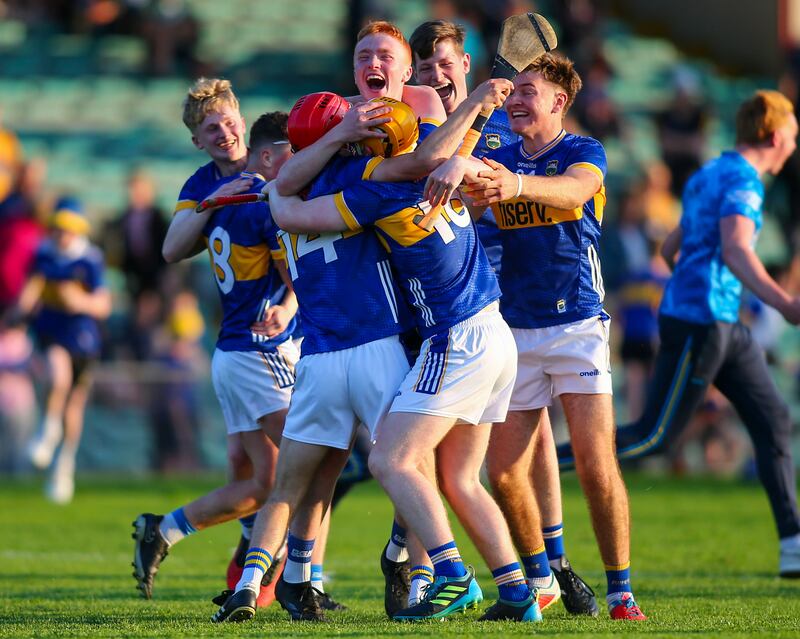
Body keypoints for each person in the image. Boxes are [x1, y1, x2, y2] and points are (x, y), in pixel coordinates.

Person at [256, 78, 551, 624]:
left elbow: (298, 217)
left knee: (391, 459)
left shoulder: (377, 186)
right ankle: (517, 593)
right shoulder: (444, 165)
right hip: (495, 331)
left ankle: (452, 576)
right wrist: (476, 115)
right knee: (459, 479)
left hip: (456, 335)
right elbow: (445, 153)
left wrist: (272, 194)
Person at [435, 52, 645, 620]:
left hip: (577, 325)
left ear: (560, 102)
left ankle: (622, 591)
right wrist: (474, 188)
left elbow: (573, 193)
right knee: (502, 475)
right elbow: (464, 189)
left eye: (530, 91)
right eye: (515, 91)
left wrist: (513, 184)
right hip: (513, 329)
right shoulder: (498, 153)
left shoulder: (584, 151)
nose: (519, 100)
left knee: (598, 464)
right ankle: (540, 578)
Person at [559, 90, 800, 578]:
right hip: (702, 322)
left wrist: (694, 283)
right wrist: (786, 303)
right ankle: (537, 459)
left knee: (772, 419)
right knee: (654, 438)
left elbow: (673, 247)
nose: (794, 143)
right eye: (794, 134)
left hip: (719, 322)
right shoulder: (744, 183)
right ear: (776, 136)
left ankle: (794, 544)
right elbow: (735, 250)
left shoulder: (710, 172)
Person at [409, 19, 598, 616]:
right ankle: (417, 567)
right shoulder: (415, 123)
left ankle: (550, 565)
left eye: (445, 64)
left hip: (496, 302)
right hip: (433, 299)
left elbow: (554, 174)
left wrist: (489, 181)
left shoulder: (498, 120)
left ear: (466, 64)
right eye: (425, 66)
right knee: (426, 450)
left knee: (519, 439)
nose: (435, 75)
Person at [130, 85, 309, 606]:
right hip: (259, 348)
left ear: (242, 121)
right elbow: (170, 249)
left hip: (243, 348)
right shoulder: (239, 192)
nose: (225, 133)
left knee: (261, 480)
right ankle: (286, 578)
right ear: (197, 141)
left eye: (230, 122)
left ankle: (209, 551)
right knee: (301, 467)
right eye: (212, 129)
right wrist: (215, 201)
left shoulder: (259, 184)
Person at [16, 197, 111, 503]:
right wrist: (19, 314)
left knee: (75, 405)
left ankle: (63, 465)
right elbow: (31, 290)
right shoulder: (44, 254)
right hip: (51, 332)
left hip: (82, 337)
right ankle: (49, 429)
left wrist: (79, 302)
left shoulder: (89, 259)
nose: (63, 235)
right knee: (57, 378)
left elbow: (102, 304)